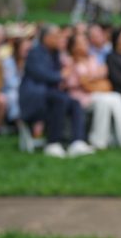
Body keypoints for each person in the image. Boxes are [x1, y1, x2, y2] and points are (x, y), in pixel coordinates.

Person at [19, 25, 95, 158]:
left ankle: (77, 142)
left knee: (75, 103)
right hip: (35, 97)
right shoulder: (35, 53)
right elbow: (42, 75)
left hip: (51, 95)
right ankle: (53, 142)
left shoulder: (55, 54)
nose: (59, 40)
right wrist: (62, 75)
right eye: (56, 37)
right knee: (61, 100)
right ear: (46, 38)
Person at [66, 33, 121, 151]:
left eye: (85, 42)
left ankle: (102, 141)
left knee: (114, 97)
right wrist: (92, 80)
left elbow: (104, 81)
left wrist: (90, 81)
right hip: (79, 97)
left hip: (96, 94)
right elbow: (80, 83)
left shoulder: (93, 59)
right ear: (73, 46)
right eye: (80, 43)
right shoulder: (69, 62)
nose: (84, 45)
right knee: (107, 99)